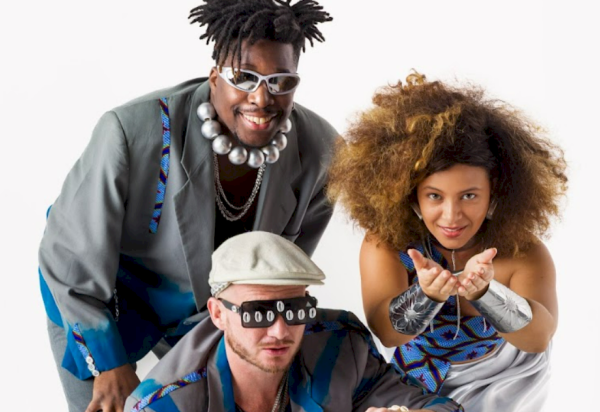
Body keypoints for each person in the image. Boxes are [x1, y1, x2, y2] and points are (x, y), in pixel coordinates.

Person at [38, 1, 337, 411]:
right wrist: (108, 363)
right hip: (101, 295)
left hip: (209, 311)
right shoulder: (130, 133)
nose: (262, 97)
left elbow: (282, 270)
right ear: (215, 78)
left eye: (281, 81)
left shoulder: (320, 154)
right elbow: (69, 257)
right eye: (244, 77)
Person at [327, 73, 568, 411]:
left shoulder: (522, 251)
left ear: (495, 193)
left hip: (509, 383)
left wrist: (486, 292)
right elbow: (387, 333)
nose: (451, 215)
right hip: (416, 380)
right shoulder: (386, 244)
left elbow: (538, 338)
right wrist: (425, 295)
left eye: (469, 195)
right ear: (411, 196)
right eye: (435, 196)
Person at [124, 231, 464, 412]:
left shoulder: (340, 346)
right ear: (217, 314)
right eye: (257, 313)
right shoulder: (164, 404)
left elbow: (442, 407)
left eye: (296, 309)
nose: (280, 330)